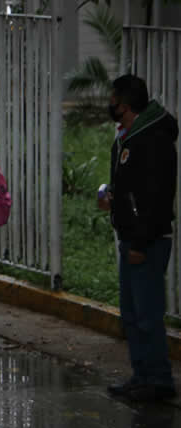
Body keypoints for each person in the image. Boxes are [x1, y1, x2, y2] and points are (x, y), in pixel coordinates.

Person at [98, 75, 178, 402]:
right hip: (131, 237)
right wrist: (113, 198)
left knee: (147, 314)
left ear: (125, 104)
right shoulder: (129, 137)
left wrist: (142, 243)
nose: (110, 104)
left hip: (147, 240)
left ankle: (158, 380)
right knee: (132, 314)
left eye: (113, 98)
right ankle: (142, 375)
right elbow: (134, 189)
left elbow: (157, 197)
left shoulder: (153, 139)